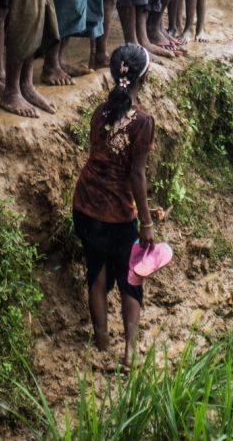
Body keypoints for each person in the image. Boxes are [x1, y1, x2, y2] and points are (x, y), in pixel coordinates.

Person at [71, 42, 157, 366]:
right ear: (143, 79)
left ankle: (102, 344)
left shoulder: (100, 113)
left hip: (86, 205)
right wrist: (146, 223)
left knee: (98, 271)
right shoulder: (142, 122)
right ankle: (130, 351)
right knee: (131, 276)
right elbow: (136, 175)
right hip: (118, 214)